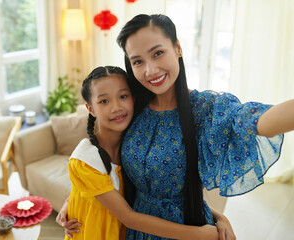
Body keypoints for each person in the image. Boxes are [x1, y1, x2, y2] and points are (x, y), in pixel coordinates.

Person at [113, 13, 294, 240]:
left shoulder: (204, 109)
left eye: (157, 53)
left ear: (178, 48)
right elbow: (100, 153)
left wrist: (216, 217)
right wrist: (80, 196)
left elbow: (256, 120)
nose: (150, 70)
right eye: (138, 61)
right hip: (137, 232)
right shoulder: (129, 105)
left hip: (191, 231)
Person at [60, 65, 235, 240]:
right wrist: (198, 234)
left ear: (133, 98)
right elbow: (127, 217)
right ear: (90, 108)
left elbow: (157, 197)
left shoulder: (133, 149)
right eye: (104, 101)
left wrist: (219, 217)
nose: (116, 107)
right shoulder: (85, 159)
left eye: (123, 96)